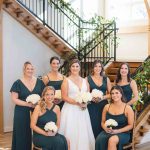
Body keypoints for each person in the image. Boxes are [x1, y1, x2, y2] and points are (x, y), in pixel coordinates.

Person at [59, 59, 95, 150]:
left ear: (80, 68)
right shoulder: (66, 81)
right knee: (71, 131)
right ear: (70, 68)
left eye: (77, 66)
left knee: (82, 131)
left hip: (83, 110)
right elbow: (64, 97)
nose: (75, 68)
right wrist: (77, 102)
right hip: (70, 110)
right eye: (73, 66)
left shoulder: (85, 81)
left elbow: (88, 95)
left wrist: (85, 103)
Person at [10, 61, 45, 150]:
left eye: (32, 68)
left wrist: (38, 103)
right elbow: (14, 99)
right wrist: (28, 104)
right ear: (24, 70)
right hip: (21, 112)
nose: (30, 70)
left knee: (38, 132)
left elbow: (44, 96)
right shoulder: (17, 83)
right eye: (28, 68)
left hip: (37, 111)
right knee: (22, 133)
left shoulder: (40, 82)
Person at [95, 85, 134, 150]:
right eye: (112, 93)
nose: (114, 95)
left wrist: (117, 131)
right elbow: (102, 122)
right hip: (108, 131)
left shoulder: (127, 108)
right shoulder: (107, 107)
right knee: (99, 139)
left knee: (112, 140)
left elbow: (130, 125)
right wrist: (105, 129)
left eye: (117, 93)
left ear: (121, 94)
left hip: (123, 132)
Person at [86, 60, 112, 139]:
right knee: (93, 125)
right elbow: (86, 93)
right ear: (93, 68)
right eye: (96, 66)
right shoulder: (87, 79)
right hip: (92, 106)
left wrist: (102, 97)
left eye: (99, 66)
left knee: (103, 124)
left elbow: (111, 94)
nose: (98, 68)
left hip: (103, 106)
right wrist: (91, 97)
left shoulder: (106, 79)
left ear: (102, 68)